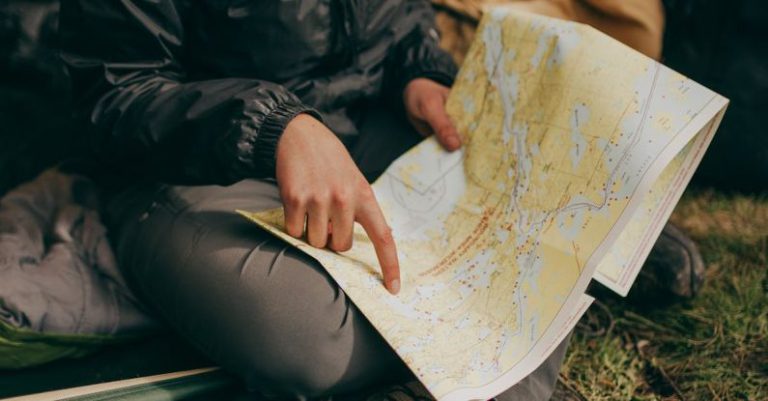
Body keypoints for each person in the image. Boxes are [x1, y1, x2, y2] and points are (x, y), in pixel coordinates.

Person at [57, 1, 695, 400]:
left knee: (543, 180)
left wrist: (419, 73)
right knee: (307, 344)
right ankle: (558, 280)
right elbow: (112, 92)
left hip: (371, 126)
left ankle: (544, 281)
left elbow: (403, 23)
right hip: (199, 162)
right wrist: (275, 126)